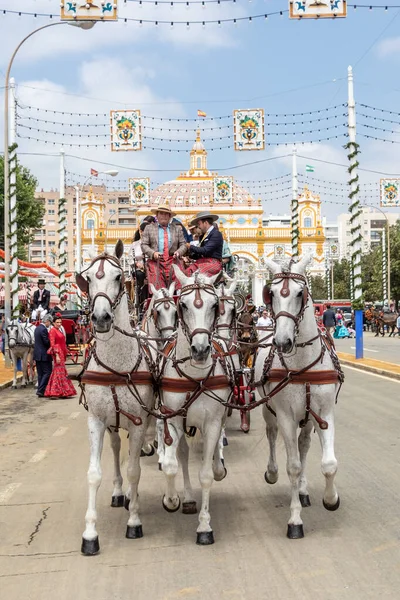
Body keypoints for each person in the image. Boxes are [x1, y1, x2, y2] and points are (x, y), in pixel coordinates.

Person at [141, 204, 187, 291]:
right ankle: (160, 298)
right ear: (157, 215)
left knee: (179, 276)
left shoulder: (177, 228)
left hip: (173, 259)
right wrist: (153, 253)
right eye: (161, 213)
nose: (163, 216)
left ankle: (179, 296)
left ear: (170, 216)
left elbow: (183, 244)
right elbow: (144, 245)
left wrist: (178, 252)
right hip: (156, 261)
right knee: (156, 278)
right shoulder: (149, 228)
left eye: (166, 214)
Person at [45, 314, 76, 399]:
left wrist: (67, 352)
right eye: (57, 322)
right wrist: (57, 355)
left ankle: (63, 391)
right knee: (58, 371)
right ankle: (55, 391)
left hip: (62, 353)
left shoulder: (59, 330)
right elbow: (53, 344)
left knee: (61, 371)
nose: (59, 324)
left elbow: (63, 342)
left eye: (60, 322)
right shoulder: (52, 331)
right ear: (53, 323)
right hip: (57, 353)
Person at [185, 211, 223, 278]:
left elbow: (205, 250)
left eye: (199, 224)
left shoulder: (216, 234)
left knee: (198, 274)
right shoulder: (204, 235)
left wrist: (190, 246)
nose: (199, 227)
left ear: (205, 223)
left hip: (213, 263)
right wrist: (189, 255)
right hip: (202, 262)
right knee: (186, 272)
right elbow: (200, 254)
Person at [33, 313, 53, 398]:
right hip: (44, 355)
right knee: (47, 372)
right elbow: (46, 342)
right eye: (50, 323)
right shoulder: (44, 329)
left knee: (40, 373)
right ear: (47, 321)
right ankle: (41, 389)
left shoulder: (37, 328)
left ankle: (41, 391)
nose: (50, 325)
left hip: (37, 354)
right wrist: (52, 342)